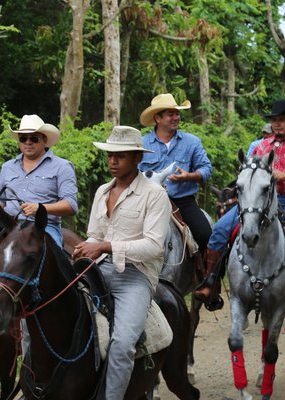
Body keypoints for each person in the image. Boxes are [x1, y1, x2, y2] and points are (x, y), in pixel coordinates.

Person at [194, 100, 285, 317]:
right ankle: (211, 282)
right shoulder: (261, 146)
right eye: (274, 120)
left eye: (281, 120)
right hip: (257, 201)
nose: (277, 124)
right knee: (219, 230)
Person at [72, 125, 172, 399]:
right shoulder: (102, 192)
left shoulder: (155, 194)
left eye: (121, 156)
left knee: (124, 342)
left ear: (137, 159)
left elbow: (153, 246)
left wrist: (104, 246)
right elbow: (95, 234)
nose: (113, 161)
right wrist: (86, 248)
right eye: (110, 155)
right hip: (99, 269)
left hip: (135, 277)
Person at [138, 93, 213, 252]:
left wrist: (189, 176)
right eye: (171, 114)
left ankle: (207, 274)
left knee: (206, 235)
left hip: (182, 201)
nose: (176, 117)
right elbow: (133, 173)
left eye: (177, 113)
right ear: (158, 118)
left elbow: (206, 169)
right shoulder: (142, 143)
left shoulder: (192, 142)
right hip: (147, 202)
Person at [0, 114, 77, 248]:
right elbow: (1, 201)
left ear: (44, 139)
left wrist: (40, 208)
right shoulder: (7, 167)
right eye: (23, 138)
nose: (28, 142)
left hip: (45, 227)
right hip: (9, 226)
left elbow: (71, 205)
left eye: (33, 138)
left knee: (52, 255)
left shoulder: (63, 166)